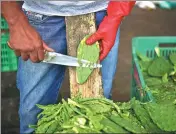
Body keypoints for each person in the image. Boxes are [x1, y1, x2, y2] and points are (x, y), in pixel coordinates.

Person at [2, 1, 136, 133]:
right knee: (32, 115)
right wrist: (16, 21)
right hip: (40, 14)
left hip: (103, 14)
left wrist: (116, 15)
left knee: (98, 110)